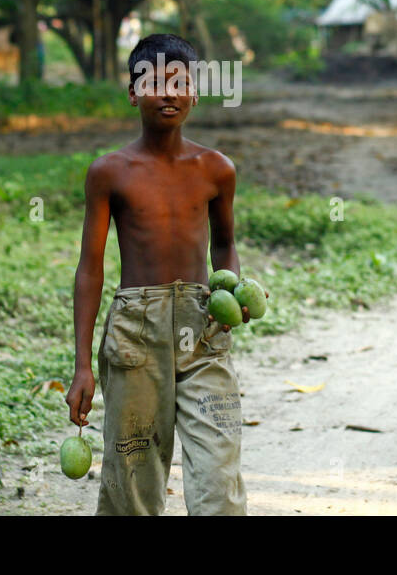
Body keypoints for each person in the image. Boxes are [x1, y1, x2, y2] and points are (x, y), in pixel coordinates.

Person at [65, 33, 258, 515]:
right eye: (154, 82)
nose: (167, 93)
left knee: (220, 473)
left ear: (195, 92)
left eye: (180, 82)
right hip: (135, 334)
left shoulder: (216, 169)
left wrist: (232, 292)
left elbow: (226, 245)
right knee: (132, 479)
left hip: (203, 330)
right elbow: (91, 269)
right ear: (133, 93)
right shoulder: (110, 172)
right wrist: (83, 365)